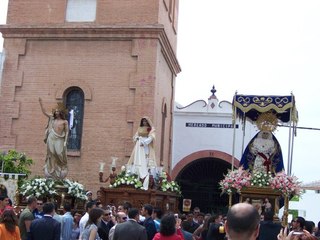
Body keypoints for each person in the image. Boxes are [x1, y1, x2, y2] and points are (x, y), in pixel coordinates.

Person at [39, 97, 69, 179]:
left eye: (58, 111)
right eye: (55, 111)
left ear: (61, 113)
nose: (56, 113)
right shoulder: (52, 119)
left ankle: (61, 166)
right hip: (51, 137)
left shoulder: (64, 122)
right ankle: (51, 168)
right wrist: (41, 103)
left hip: (60, 138)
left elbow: (67, 132)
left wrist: (65, 141)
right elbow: (45, 112)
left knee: (59, 153)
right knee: (51, 153)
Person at [127, 117, 157, 190]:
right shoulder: (139, 128)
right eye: (143, 121)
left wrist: (144, 142)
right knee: (137, 157)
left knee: (146, 157)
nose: (144, 122)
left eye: (145, 121)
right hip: (139, 144)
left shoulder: (151, 129)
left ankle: (146, 170)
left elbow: (151, 137)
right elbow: (135, 136)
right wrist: (137, 138)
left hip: (145, 145)